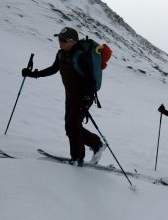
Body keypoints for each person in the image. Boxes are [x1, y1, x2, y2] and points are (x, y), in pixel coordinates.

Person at [21, 27, 105, 166]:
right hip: (70, 95)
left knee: (72, 125)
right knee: (71, 126)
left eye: (63, 40)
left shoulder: (81, 56)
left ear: (72, 42)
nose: (60, 42)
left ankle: (77, 158)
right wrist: (32, 74)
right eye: (59, 39)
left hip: (83, 97)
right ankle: (96, 144)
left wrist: (87, 98)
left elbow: (91, 80)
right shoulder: (61, 54)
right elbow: (53, 69)